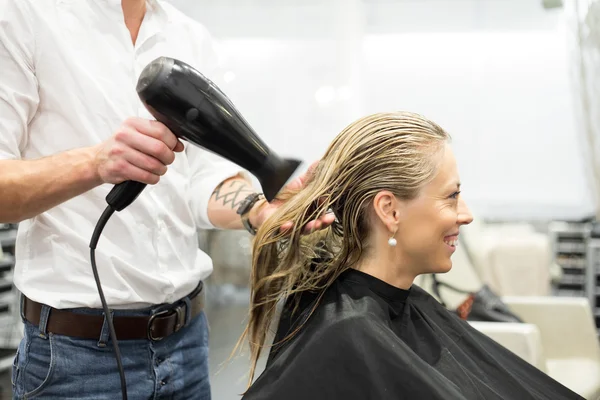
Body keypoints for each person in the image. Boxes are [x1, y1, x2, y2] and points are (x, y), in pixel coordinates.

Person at [0, 1, 333, 399]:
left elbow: (200, 178)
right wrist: (94, 163)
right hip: (75, 358)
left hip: (187, 345)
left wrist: (258, 209)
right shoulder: (24, 16)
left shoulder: (188, 35)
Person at [238, 111, 583, 400]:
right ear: (389, 210)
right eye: (451, 196)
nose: (466, 214)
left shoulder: (381, 312)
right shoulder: (347, 334)